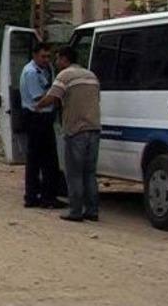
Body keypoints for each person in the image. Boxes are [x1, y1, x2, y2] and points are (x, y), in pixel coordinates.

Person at [35, 46, 101, 223]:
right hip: (94, 128)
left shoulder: (64, 76)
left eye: (57, 59)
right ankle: (92, 210)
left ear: (65, 59)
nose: (55, 62)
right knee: (90, 173)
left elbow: (52, 97)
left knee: (74, 173)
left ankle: (75, 211)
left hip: (75, 130)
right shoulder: (91, 76)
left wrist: (38, 106)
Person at [19, 42, 63, 209]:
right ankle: (43, 197)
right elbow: (39, 98)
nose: (46, 60)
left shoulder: (44, 70)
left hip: (42, 117)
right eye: (43, 56)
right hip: (36, 117)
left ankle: (38, 195)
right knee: (45, 159)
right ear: (35, 55)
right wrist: (57, 95)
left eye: (48, 56)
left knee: (41, 159)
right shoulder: (31, 72)